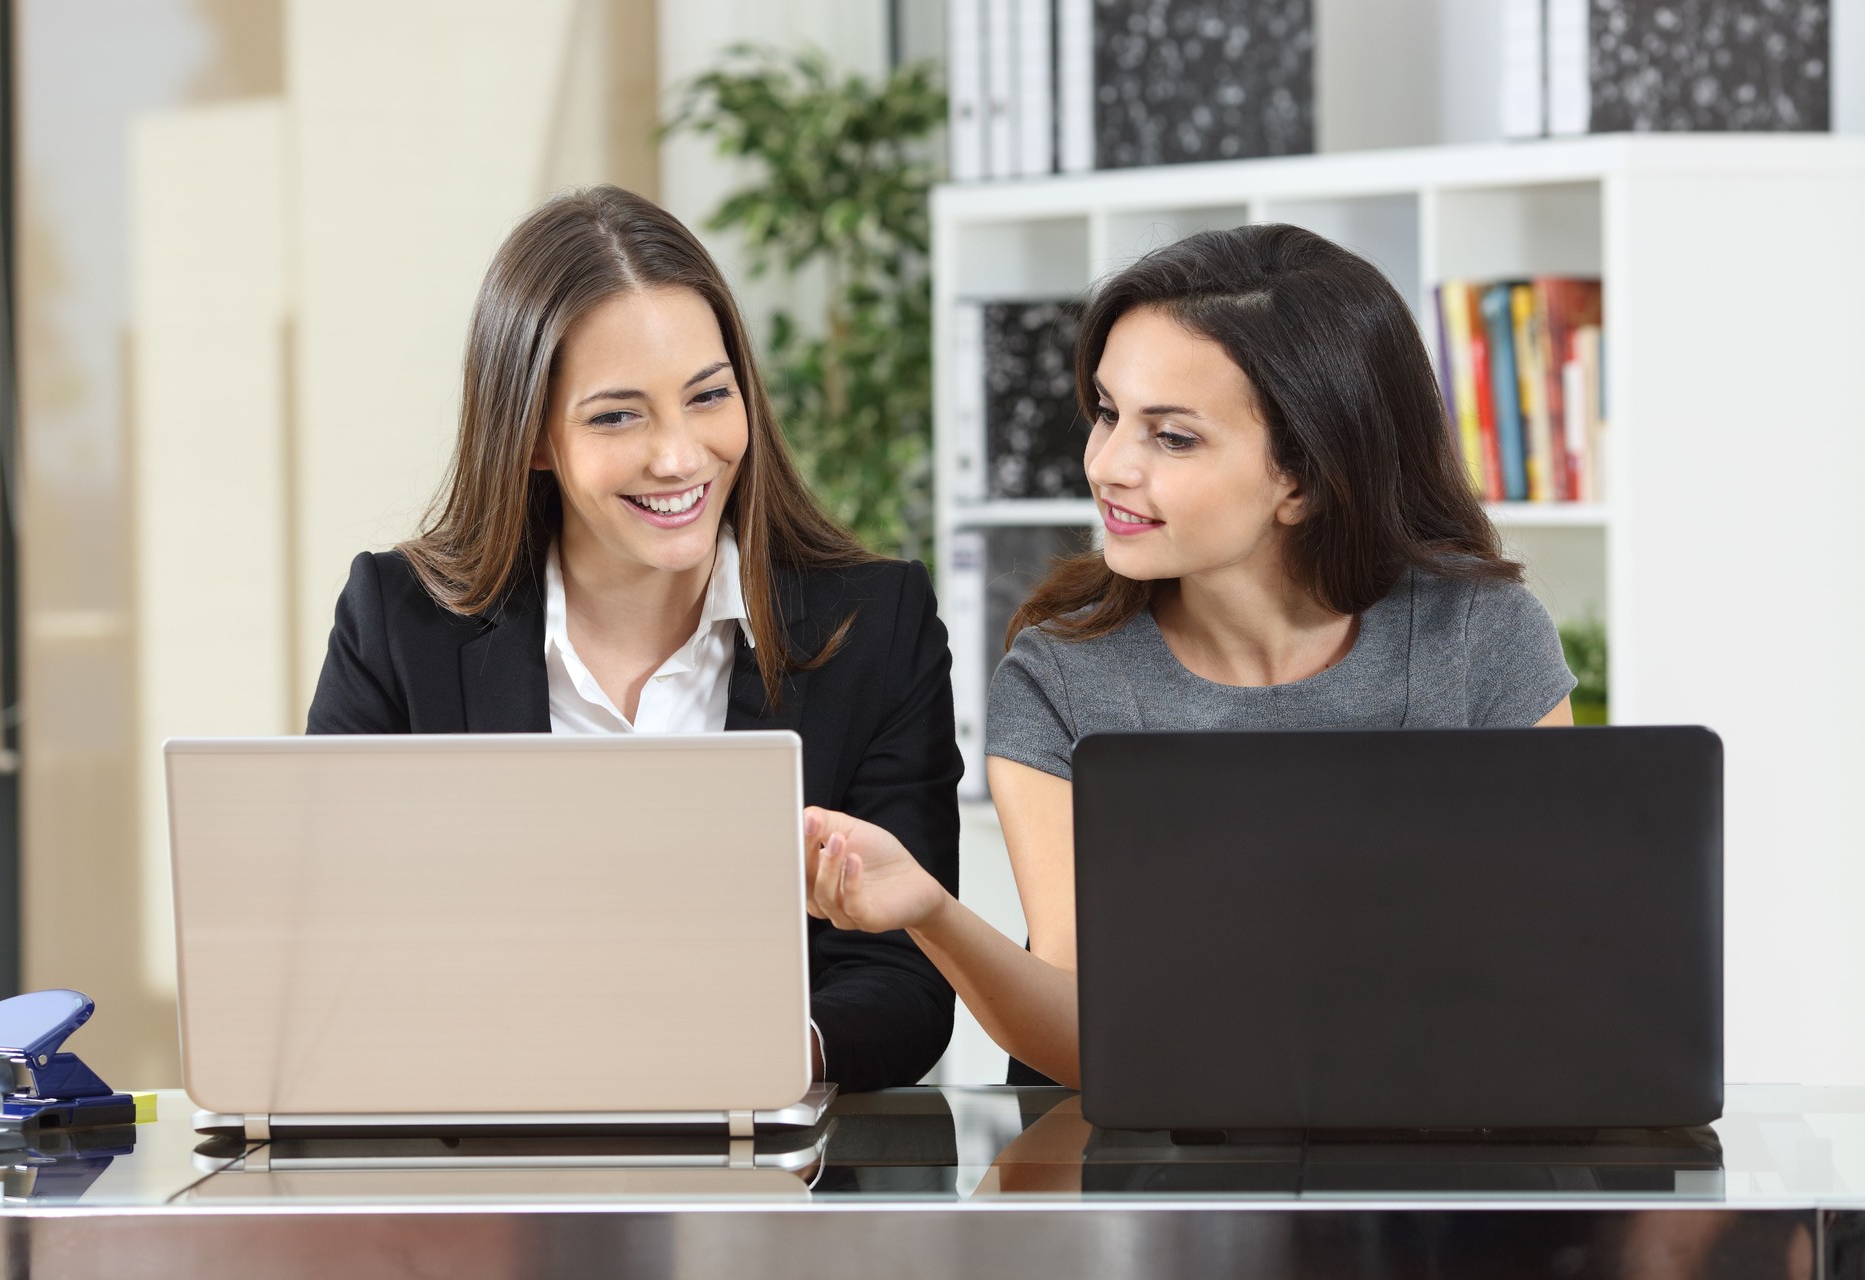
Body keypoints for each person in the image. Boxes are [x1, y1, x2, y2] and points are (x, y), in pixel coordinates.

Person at [801, 223, 1576, 1088]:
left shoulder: (1483, 637)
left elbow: (1553, 980)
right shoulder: (1061, 675)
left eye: (1170, 437)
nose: (1106, 465)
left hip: (1432, 1156)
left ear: (1307, 477)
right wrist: (935, 915)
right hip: (1144, 1170)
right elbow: (1079, 1034)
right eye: (1106, 413)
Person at [305, 185, 961, 1092]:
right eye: (618, 415)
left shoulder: (876, 627)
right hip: (488, 1157)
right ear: (532, 436)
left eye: (708, 397)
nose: (680, 455)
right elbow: (331, 950)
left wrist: (752, 1062)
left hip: (770, 1170)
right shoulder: (399, 620)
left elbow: (904, 982)